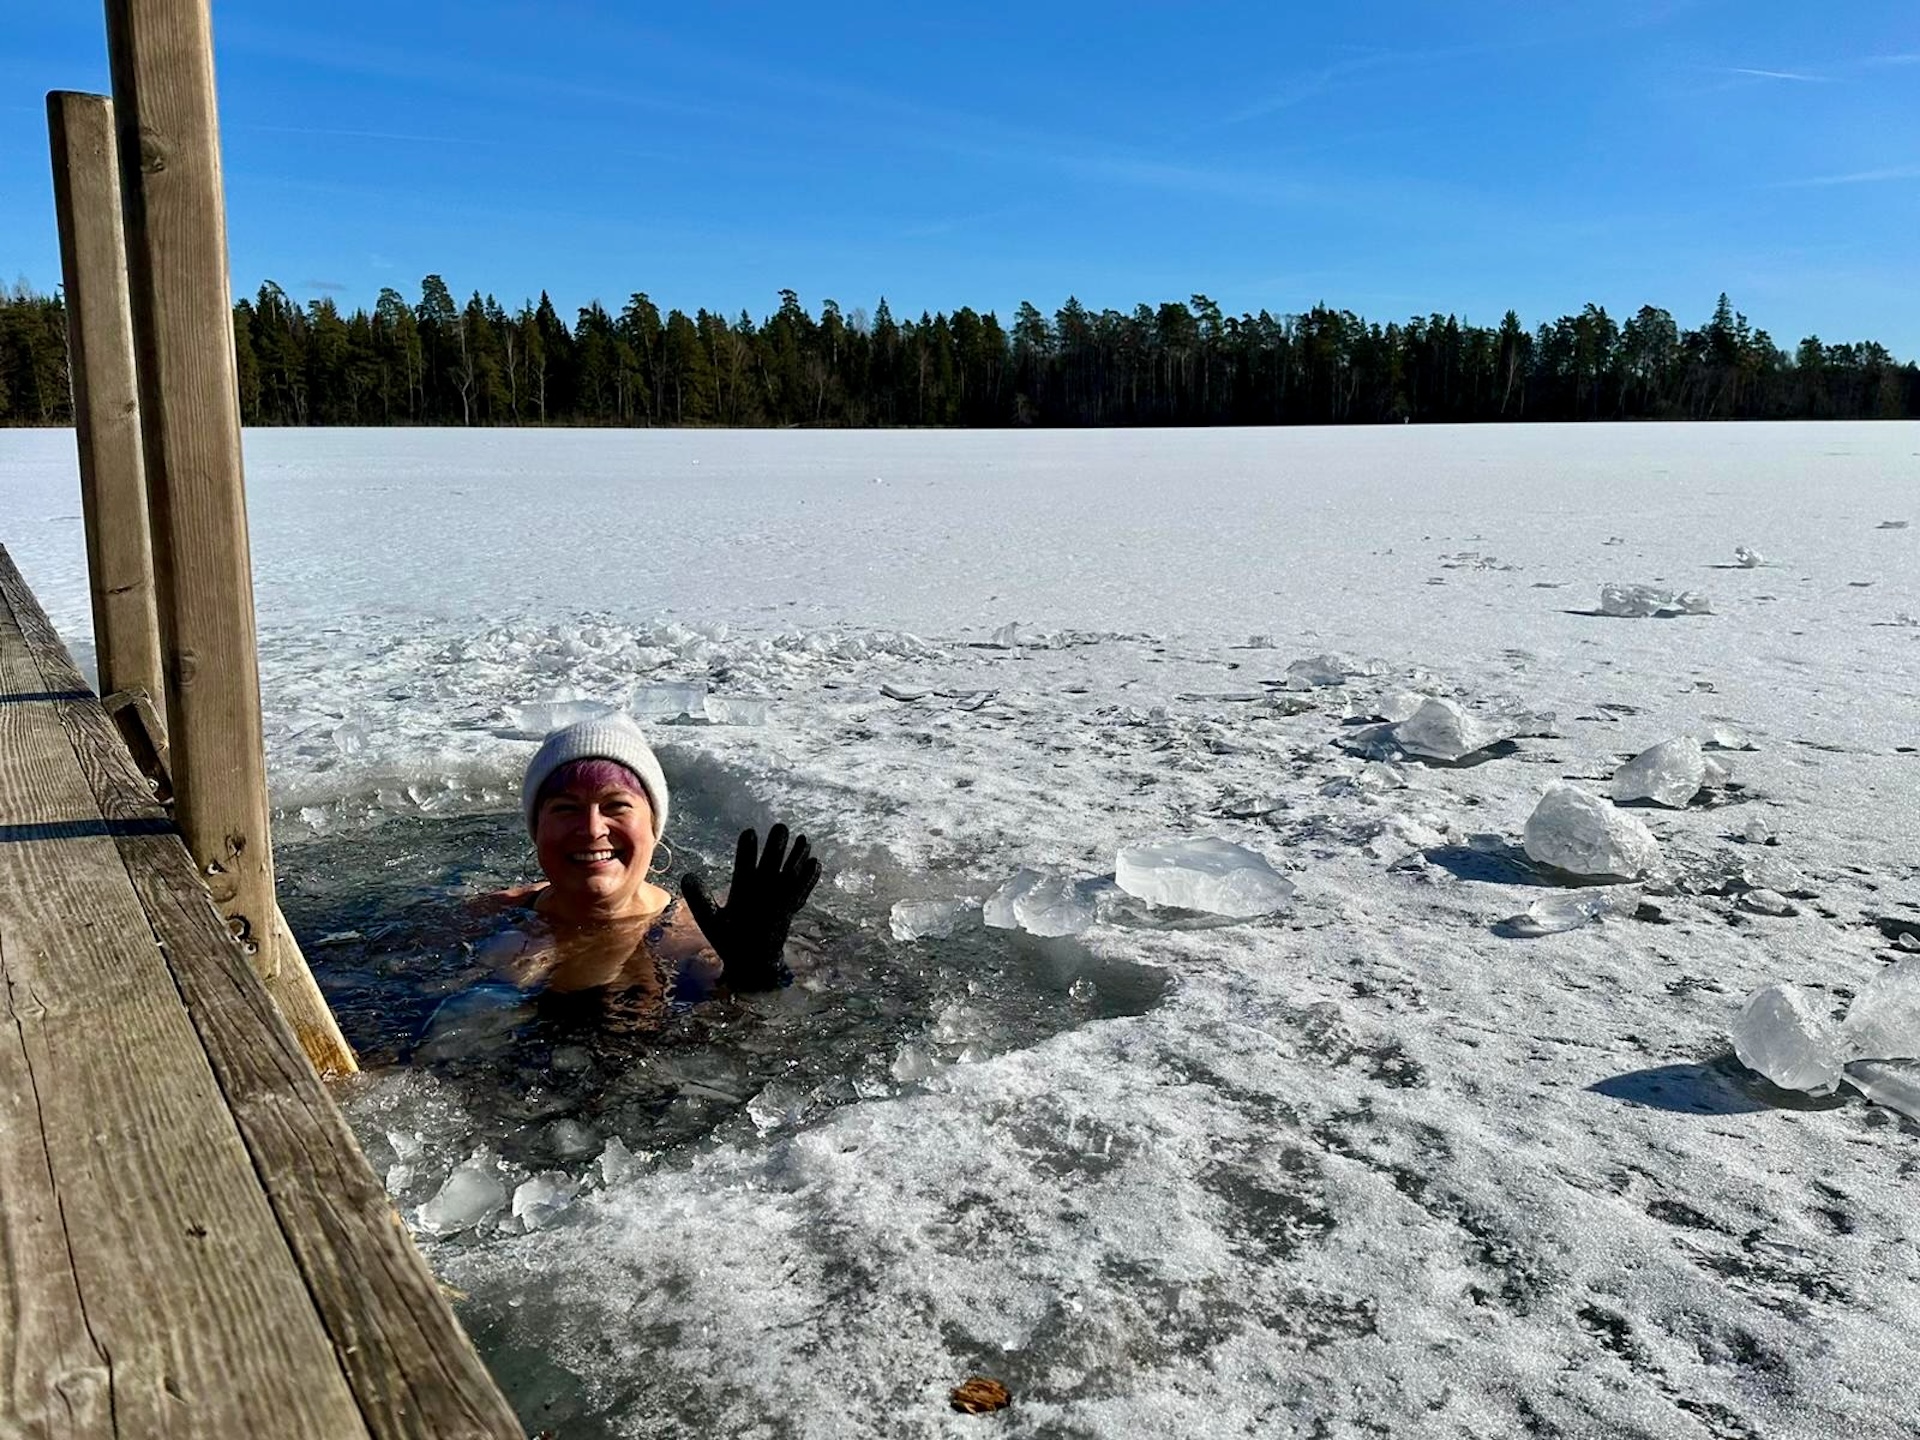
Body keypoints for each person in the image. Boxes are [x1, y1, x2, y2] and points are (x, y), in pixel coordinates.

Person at [466, 713, 820, 1035]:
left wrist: (756, 975)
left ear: (653, 826)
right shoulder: (490, 914)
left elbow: (753, 1039)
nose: (591, 829)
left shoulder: (691, 936)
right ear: (536, 829)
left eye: (616, 805)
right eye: (565, 808)